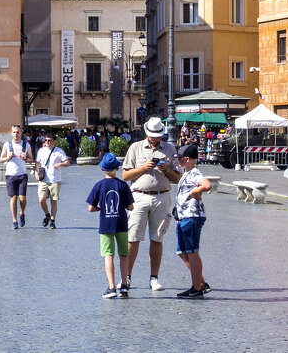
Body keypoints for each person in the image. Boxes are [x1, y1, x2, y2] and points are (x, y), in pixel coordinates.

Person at [121, 116, 181, 292]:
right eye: (152, 135)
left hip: (162, 196)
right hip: (138, 197)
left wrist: (166, 169)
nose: (155, 139)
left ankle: (154, 278)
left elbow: (177, 178)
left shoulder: (170, 149)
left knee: (157, 238)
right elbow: (125, 176)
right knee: (133, 238)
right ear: (147, 133)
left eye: (158, 136)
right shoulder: (135, 148)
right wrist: (143, 168)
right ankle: (127, 278)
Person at [87, 153, 134, 299]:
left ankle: (112, 287)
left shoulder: (99, 185)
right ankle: (124, 287)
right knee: (123, 255)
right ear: (117, 169)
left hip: (106, 224)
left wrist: (102, 209)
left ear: (102, 169)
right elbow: (131, 207)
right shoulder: (122, 185)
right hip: (121, 223)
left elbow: (90, 208)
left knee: (108, 255)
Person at [173, 143, 213, 298]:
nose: (178, 161)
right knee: (182, 252)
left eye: (180, 159)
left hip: (192, 216)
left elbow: (207, 185)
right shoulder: (187, 173)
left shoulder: (195, 172)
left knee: (192, 251)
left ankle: (196, 288)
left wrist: (196, 191)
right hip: (184, 217)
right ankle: (201, 283)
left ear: (187, 159)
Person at [0, 125, 33, 230]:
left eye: (18, 132)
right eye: (14, 132)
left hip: (22, 174)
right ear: (11, 133)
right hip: (10, 174)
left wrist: (26, 158)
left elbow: (31, 159)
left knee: (22, 198)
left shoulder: (26, 145)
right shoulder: (7, 145)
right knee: (13, 197)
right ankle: (14, 220)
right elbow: (1, 159)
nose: (16, 134)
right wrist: (8, 157)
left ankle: (22, 212)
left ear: (21, 133)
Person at [36, 135, 71, 229]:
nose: (47, 142)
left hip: (55, 180)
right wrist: (36, 173)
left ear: (54, 141)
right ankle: (47, 214)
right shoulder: (41, 151)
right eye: (46, 140)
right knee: (41, 199)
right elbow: (37, 163)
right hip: (44, 179)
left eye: (49, 140)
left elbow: (67, 163)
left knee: (53, 201)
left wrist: (60, 164)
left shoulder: (59, 151)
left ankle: (52, 220)